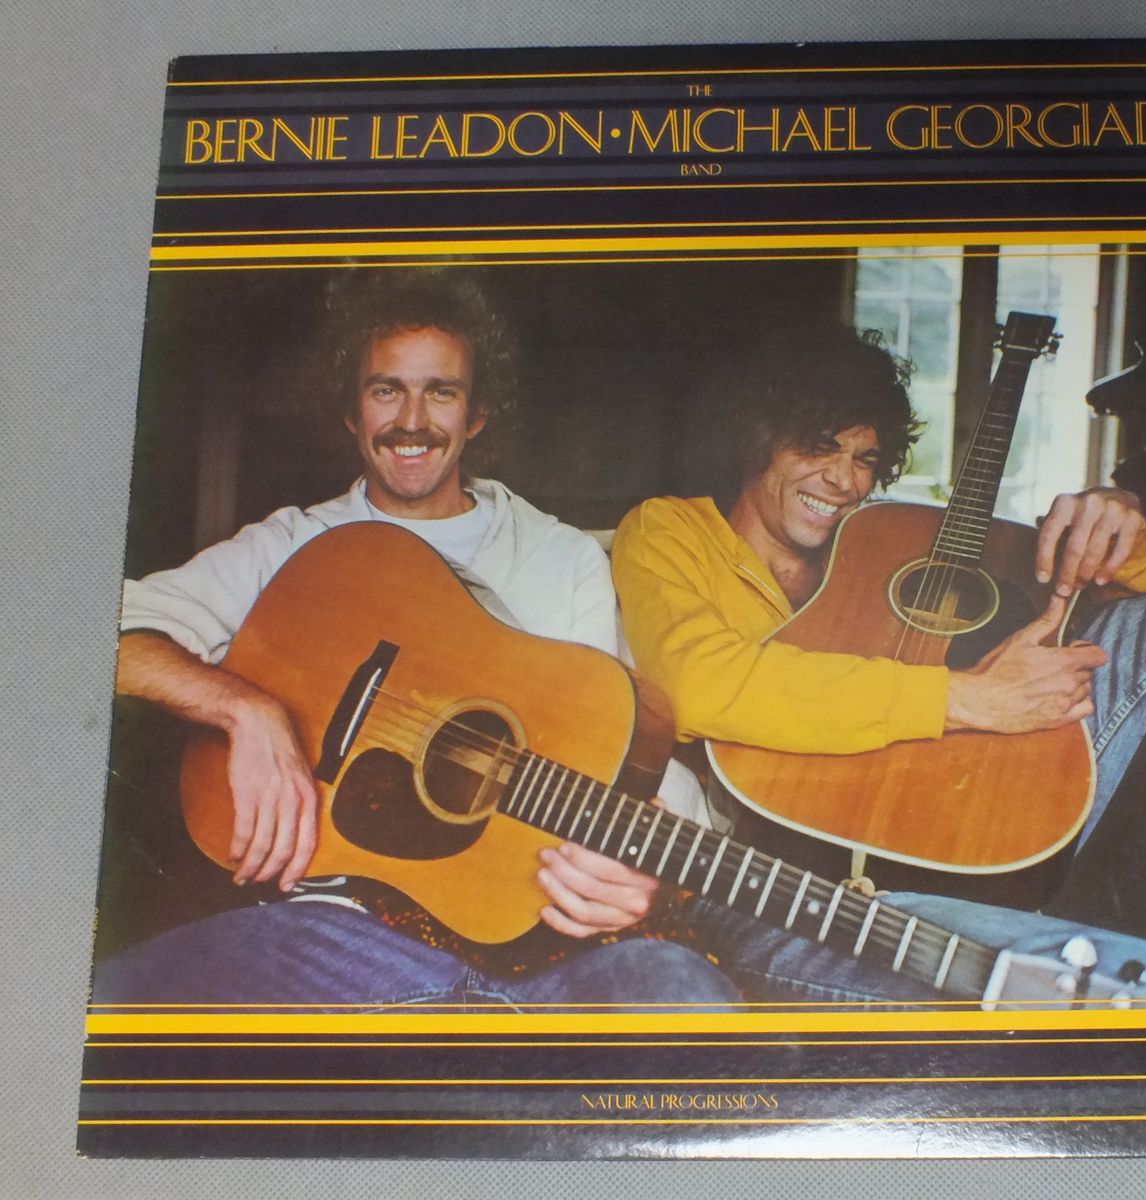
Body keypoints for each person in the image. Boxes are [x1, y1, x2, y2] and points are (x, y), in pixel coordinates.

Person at [93, 270, 739, 1010]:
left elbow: (620, 763)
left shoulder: (562, 559)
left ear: (478, 413)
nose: (412, 420)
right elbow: (98, 636)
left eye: (441, 392)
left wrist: (649, 877)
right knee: (113, 1001)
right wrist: (246, 710)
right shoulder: (292, 545)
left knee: (689, 1001)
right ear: (351, 410)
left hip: (535, 934)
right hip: (334, 929)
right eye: (386, 390)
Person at [610, 324, 1146, 1004]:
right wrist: (969, 697)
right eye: (820, 444)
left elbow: (1086, 599)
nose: (844, 479)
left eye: (865, 458)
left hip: (957, 815)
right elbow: (696, 685)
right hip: (795, 877)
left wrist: (1118, 533)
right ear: (757, 436)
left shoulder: (881, 539)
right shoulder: (670, 531)